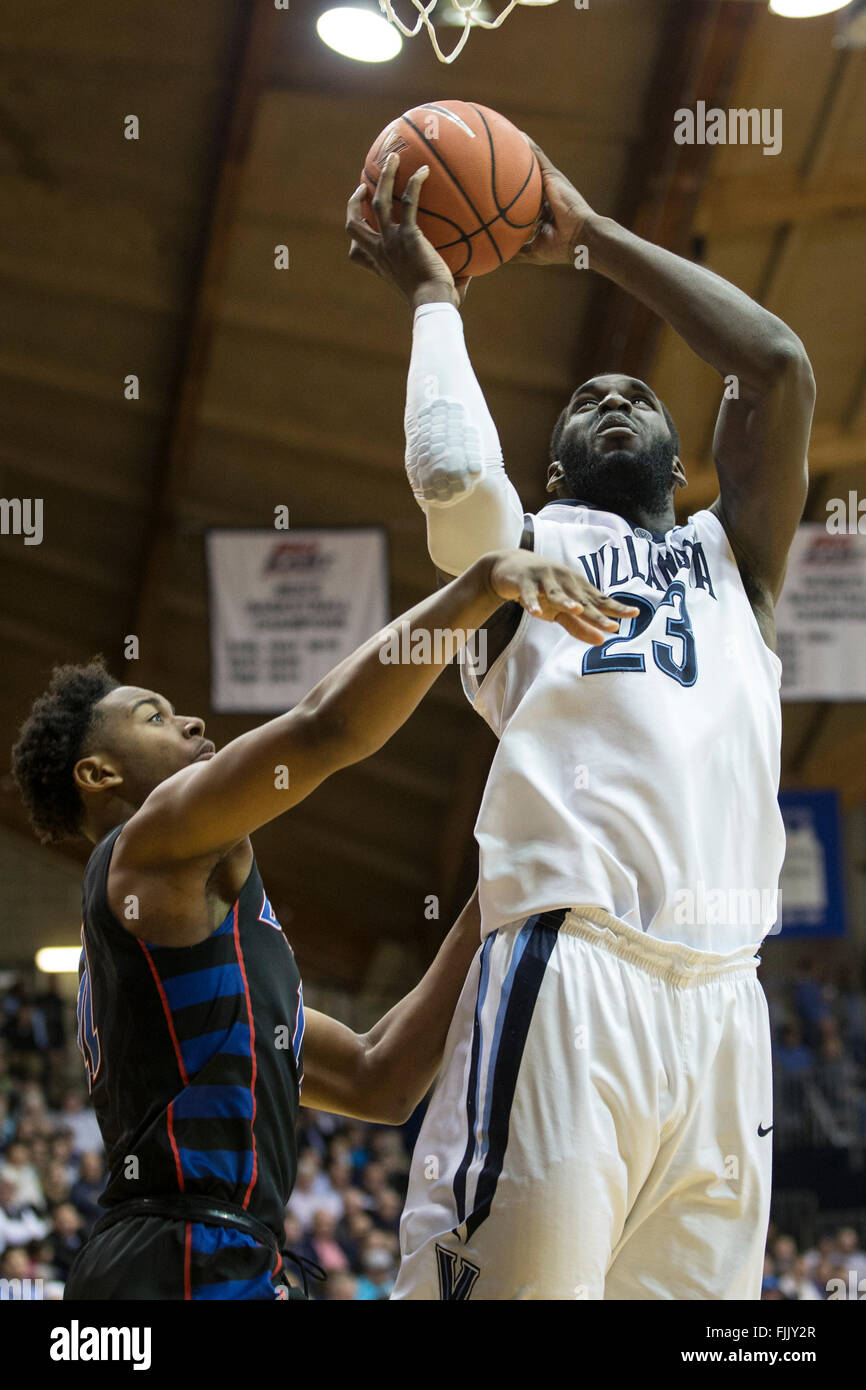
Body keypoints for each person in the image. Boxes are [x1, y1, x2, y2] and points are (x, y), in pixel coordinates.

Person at [346, 139, 816, 1300]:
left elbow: (777, 363)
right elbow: (455, 482)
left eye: (636, 395)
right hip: (572, 969)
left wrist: (592, 236)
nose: (614, 398)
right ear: (552, 470)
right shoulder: (523, 555)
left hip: (724, 1004)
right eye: (589, 400)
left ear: (681, 460)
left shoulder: (735, 560)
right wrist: (432, 302)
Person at [10, 547, 613, 1300]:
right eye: (154, 716)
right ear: (100, 774)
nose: (191, 718)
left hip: (188, 1256)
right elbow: (325, 729)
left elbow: (379, 1074)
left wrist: (508, 875)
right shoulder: (146, 845)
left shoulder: (187, 938)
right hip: (183, 1258)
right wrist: (479, 584)